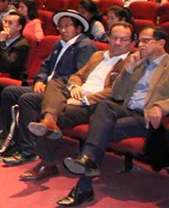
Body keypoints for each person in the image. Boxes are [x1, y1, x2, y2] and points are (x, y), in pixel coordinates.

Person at [58, 27, 169, 207]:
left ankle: (84, 182)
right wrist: (129, 70)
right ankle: (87, 167)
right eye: (140, 41)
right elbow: (116, 94)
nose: (141, 46)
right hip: (127, 110)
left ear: (161, 43)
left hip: (147, 117)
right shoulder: (138, 63)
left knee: (100, 131)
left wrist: (160, 106)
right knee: (105, 106)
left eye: (146, 41)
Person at [18, 22, 135, 182]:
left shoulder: (131, 63)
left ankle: (47, 163)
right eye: (114, 38)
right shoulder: (98, 55)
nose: (117, 43)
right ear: (108, 37)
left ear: (132, 43)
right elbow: (78, 75)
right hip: (75, 94)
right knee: (42, 91)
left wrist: (84, 100)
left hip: (95, 104)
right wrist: (75, 87)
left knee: (59, 112)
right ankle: (41, 130)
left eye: (124, 40)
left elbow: (115, 90)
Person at [0, 10, 97, 166]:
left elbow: (79, 75)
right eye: (60, 26)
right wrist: (40, 80)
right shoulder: (59, 43)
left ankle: (28, 150)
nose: (62, 30)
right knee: (9, 92)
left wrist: (50, 85)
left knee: (27, 99)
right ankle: (7, 138)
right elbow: (45, 65)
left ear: (79, 29)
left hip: (61, 92)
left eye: (67, 26)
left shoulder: (85, 46)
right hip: (46, 87)